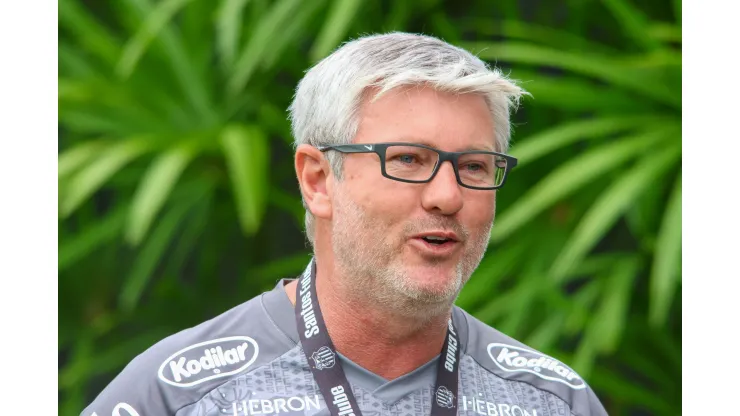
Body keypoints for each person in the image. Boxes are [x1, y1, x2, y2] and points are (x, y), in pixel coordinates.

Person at [81, 32, 608, 416]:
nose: (448, 196)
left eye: (473, 167)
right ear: (317, 179)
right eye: (407, 160)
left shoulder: (552, 401)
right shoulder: (176, 394)